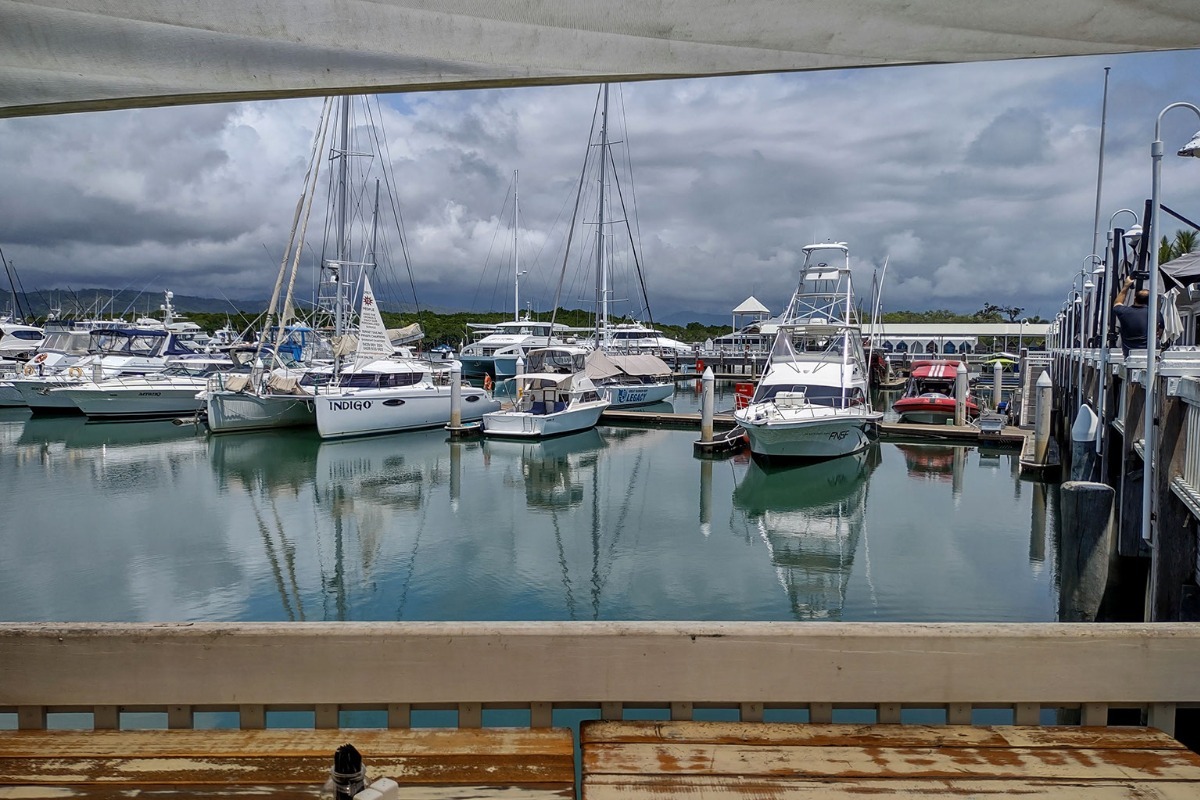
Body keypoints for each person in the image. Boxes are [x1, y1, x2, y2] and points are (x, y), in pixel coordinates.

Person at [1112, 277, 1164, 357]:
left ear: (1135, 299)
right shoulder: (1155, 313)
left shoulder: (1124, 312)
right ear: (1151, 300)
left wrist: (1126, 286)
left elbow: (1117, 303)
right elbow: (1160, 330)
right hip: (1152, 354)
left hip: (1130, 355)